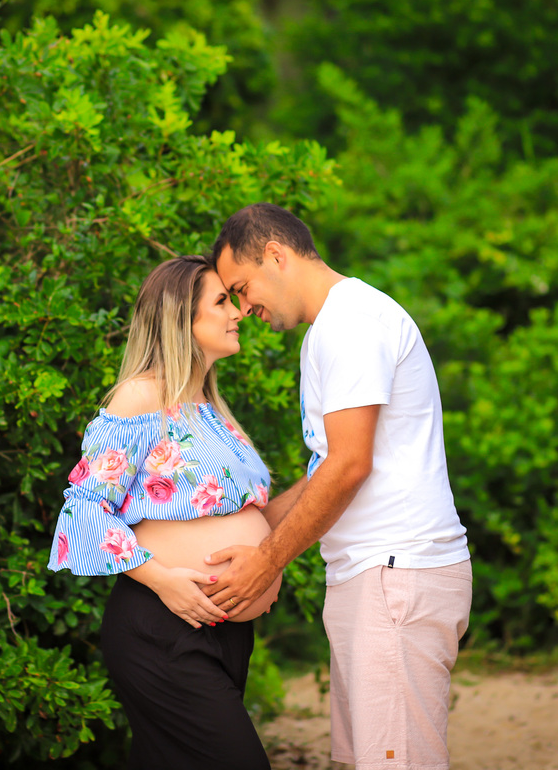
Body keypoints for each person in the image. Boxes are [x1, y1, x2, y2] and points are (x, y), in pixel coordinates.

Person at [203, 203, 472, 770]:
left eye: (242, 287)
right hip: (374, 578)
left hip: (395, 575)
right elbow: (327, 468)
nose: (244, 308)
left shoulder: (351, 323)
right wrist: (246, 535)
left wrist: (267, 561)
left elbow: (349, 466)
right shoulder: (328, 331)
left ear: (276, 255)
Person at [47, 254, 280, 770]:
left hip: (225, 629)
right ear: (182, 320)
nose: (238, 311)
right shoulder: (142, 396)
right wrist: (163, 581)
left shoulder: (210, 406)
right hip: (163, 623)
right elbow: (84, 510)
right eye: (221, 301)